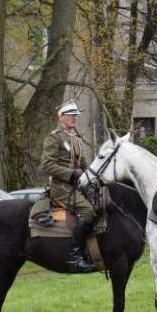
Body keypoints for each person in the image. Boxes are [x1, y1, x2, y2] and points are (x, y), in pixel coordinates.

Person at [40, 101, 96, 273]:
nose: (75, 117)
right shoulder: (54, 137)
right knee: (87, 211)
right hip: (62, 187)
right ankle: (75, 256)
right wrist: (71, 174)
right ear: (61, 117)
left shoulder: (76, 139)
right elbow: (47, 165)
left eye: (76, 114)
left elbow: (85, 166)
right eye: (71, 114)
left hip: (77, 186)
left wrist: (95, 177)